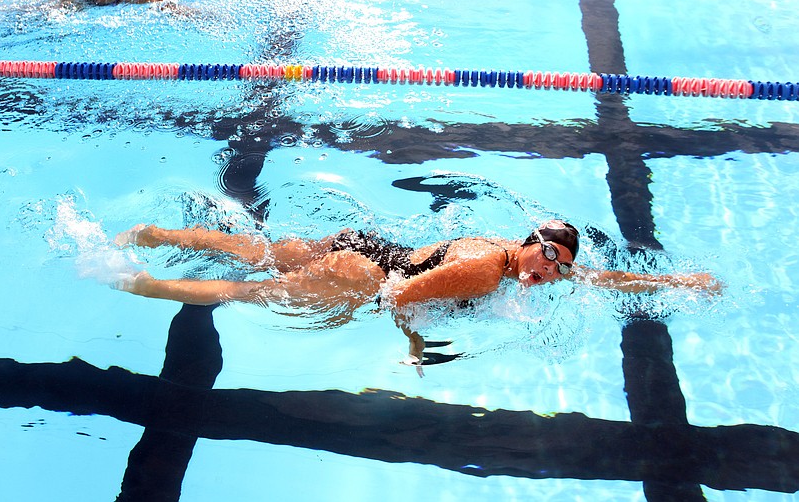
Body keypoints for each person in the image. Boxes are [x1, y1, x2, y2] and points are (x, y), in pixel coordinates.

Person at [111, 220, 720, 365]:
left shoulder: (512, 257)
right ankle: (135, 283)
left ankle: (152, 233)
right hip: (365, 277)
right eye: (551, 257)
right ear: (531, 241)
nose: (553, 272)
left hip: (365, 246)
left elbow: (600, 278)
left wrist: (675, 282)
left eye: (560, 267)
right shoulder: (485, 270)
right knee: (246, 292)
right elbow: (401, 298)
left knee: (255, 247)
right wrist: (416, 345)